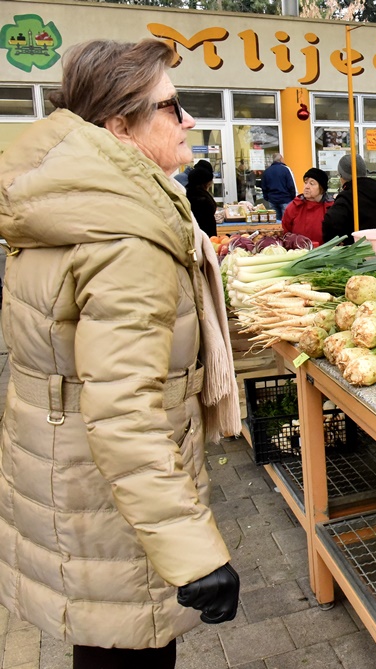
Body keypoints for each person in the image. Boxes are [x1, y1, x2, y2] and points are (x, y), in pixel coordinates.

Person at [0, 39, 240, 669]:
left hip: (71, 471)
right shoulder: (128, 237)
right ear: (119, 125)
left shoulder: (70, 204)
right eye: (172, 107)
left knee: (104, 641)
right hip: (113, 496)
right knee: (131, 649)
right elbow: (124, 411)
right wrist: (194, 552)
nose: (188, 121)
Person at [323, 154, 376, 244]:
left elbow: (330, 222)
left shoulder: (347, 197)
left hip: (356, 252)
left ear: (342, 176)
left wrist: (338, 244)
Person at [282, 167, 333, 244]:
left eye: (312, 184)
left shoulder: (330, 208)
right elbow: (285, 232)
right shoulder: (294, 206)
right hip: (298, 253)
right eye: (306, 183)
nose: (307, 187)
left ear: (322, 188)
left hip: (325, 253)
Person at [260, 153, 296, 221]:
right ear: (281, 159)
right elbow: (291, 185)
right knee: (287, 221)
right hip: (285, 199)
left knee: (275, 221)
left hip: (272, 199)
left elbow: (264, 187)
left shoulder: (267, 171)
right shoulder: (285, 170)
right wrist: (292, 197)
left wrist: (267, 197)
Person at [186, 166, 218, 237]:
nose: (211, 183)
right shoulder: (201, 199)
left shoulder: (188, 193)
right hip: (204, 236)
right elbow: (206, 222)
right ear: (205, 183)